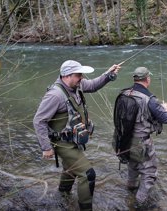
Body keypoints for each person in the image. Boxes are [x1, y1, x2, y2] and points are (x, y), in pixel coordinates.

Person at [33, 60, 120, 211]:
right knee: (87, 174)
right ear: (66, 75)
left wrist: (108, 74)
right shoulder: (55, 95)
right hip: (62, 143)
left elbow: (93, 85)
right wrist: (46, 147)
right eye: (78, 74)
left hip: (72, 140)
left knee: (70, 167)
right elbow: (39, 121)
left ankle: (63, 194)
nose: (81, 77)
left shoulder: (77, 84)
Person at [119, 67, 167, 209]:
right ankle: (139, 203)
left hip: (125, 140)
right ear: (147, 79)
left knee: (133, 165)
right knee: (149, 173)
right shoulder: (150, 100)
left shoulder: (125, 93)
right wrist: (166, 108)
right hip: (141, 142)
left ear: (135, 79)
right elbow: (166, 119)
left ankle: (130, 188)